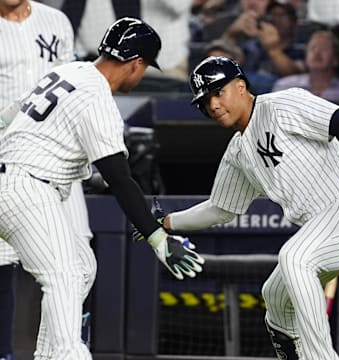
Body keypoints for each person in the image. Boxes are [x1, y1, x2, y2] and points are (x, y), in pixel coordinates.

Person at [0, 17, 204, 360]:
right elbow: (119, 177)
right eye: (143, 68)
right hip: (27, 188)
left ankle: (49, 354)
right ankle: (67, 352)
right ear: (136, 64)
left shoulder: (68, 71)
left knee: (81, 268)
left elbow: (8, 115)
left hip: (19, 181)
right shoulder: (96, 94)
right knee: (63, 276)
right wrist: (157, 238)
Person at [153, 56, 339, 359]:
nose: (212, 105)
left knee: (295, 257)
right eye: (205, 100)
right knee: (275, 299)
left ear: (240, 86)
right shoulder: (237, 151)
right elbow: (219, 209)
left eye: (217, 93)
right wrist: (166, 222)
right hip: (326, 226)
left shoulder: (282, 104)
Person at [0, 1, 94, 359]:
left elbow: (72, 87)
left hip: (57, 162)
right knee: (2, 260)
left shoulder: (55, 21)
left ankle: (59, 352)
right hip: (5, 159)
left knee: (80, 265)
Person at [272, 30, 339, 99]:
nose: (317, 52)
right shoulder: (284, 86)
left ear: (335, 59)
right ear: (305, 57)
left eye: (324, 48)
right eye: (312, 48)